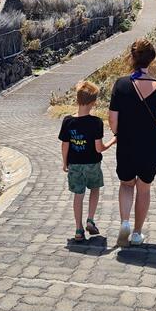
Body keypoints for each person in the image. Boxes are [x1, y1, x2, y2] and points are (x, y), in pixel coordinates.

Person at [109, 38, 156, 247]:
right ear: (151, 60)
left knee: (126, 185)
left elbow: (112, 119)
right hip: (151, 147)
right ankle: (137, 233)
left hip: (127, 145)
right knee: (143, 189)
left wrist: (119, 133)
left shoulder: (120, 85)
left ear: (132, 58)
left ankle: (124, 223)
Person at [59, 81, 116, 242]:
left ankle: (78, 229)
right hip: (92, 164)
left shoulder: (68, 121)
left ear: (77, 99)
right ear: (93, 102)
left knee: (78, 195)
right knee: (95, 189)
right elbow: (99, 148)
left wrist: (65, 162)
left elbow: (65, 145)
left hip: (74, 164)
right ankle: (90, 220)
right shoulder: (96, 122)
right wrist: (113, 141)